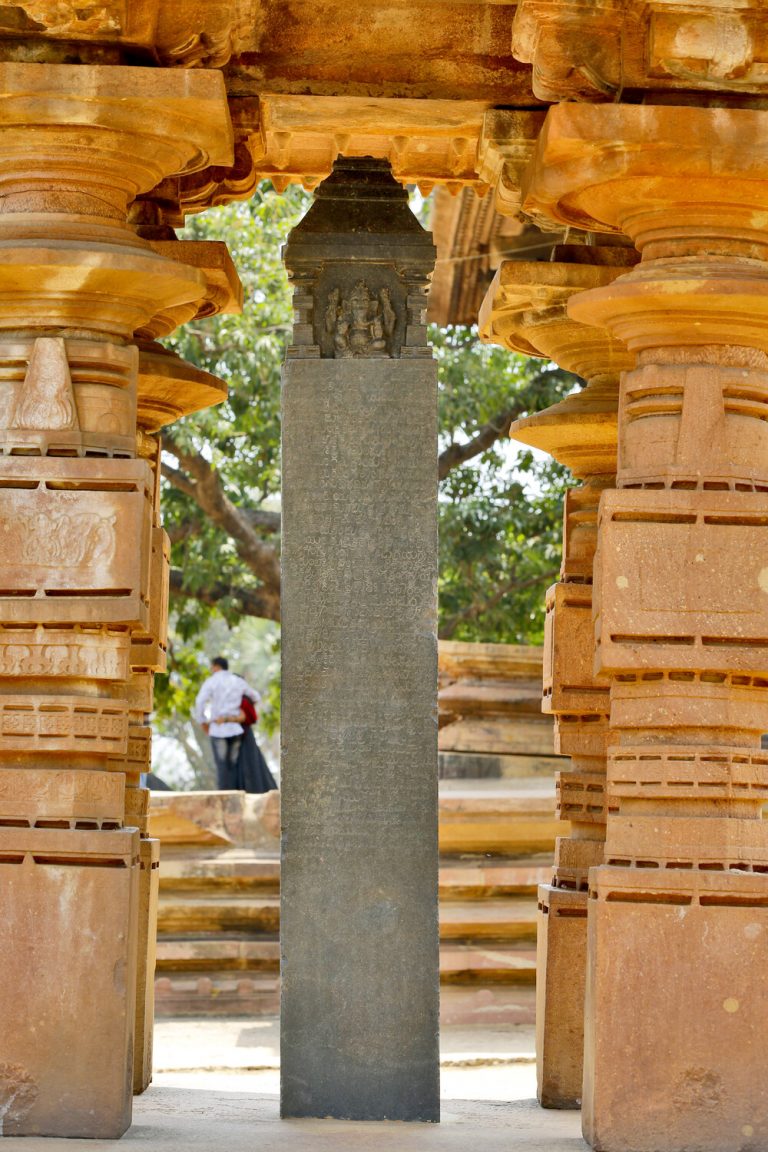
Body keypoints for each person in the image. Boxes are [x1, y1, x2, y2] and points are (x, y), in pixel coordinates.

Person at [193, 656, 263, 790]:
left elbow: (200, 701)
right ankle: (236, 797)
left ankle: (223, 799)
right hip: (235, 729)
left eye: (211, 667)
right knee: (234, 766)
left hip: (218, 729)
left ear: (216, 666)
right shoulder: (237, 681)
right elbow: (256, 697)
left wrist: (202, 721)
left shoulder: (211, 681)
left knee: (222, 766)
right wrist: (241, 708)